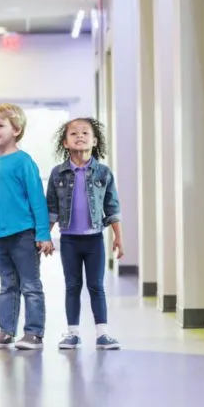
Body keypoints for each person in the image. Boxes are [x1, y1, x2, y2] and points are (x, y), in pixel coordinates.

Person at [0, 104, 54, 351]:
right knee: (7, 286)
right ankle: (6, 331)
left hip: (24, 235)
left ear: (16, 129)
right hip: (1, 237)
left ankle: (34, 333)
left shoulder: (24, 162)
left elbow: (37, 200)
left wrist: (43, 234)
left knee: (30, 286)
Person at [47, 117, 123, 350]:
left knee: (96, 286)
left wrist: (119, 236)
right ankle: (72, 333)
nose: (80, 136)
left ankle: (103, 333)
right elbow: (51, 208)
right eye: (73, 133)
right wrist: (44, 236)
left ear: (94, 140)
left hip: (94, 240)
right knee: (72, 285)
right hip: (69, 239)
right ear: (65, 142)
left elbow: (112, 207)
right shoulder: (58, 173)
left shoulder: (103, 172)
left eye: (85, 133)